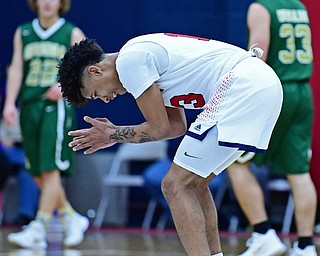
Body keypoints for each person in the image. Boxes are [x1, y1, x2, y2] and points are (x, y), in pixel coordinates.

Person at [57, 33, 283, 256]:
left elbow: (158, 128)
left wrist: (112, 135)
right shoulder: (143, 61)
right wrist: (114, 134)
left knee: (173, 184)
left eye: (96, 94)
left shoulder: (129, 61)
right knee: (194, 183)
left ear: (95, 71)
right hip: (263, 83)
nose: (106, 99)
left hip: (242, 84)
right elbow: (175, 127)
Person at [227, 1, 318, 255]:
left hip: (277, 91)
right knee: (299, 172)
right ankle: (305, 245)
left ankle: (263, 232)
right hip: (303, 91)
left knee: (235, 162)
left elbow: (259, 55)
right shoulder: (298, 6)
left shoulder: (261, 7)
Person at [3, 0, 88, 249]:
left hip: (56, 106)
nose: (48, 2)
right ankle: (71, 217)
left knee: (50, 168)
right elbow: (17, 68)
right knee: (37, 170)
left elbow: (90, 67)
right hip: (29, 105)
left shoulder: (71, 32)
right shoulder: (24, 31)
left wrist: (65, 84)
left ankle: (40, 225)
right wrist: (9, 102)